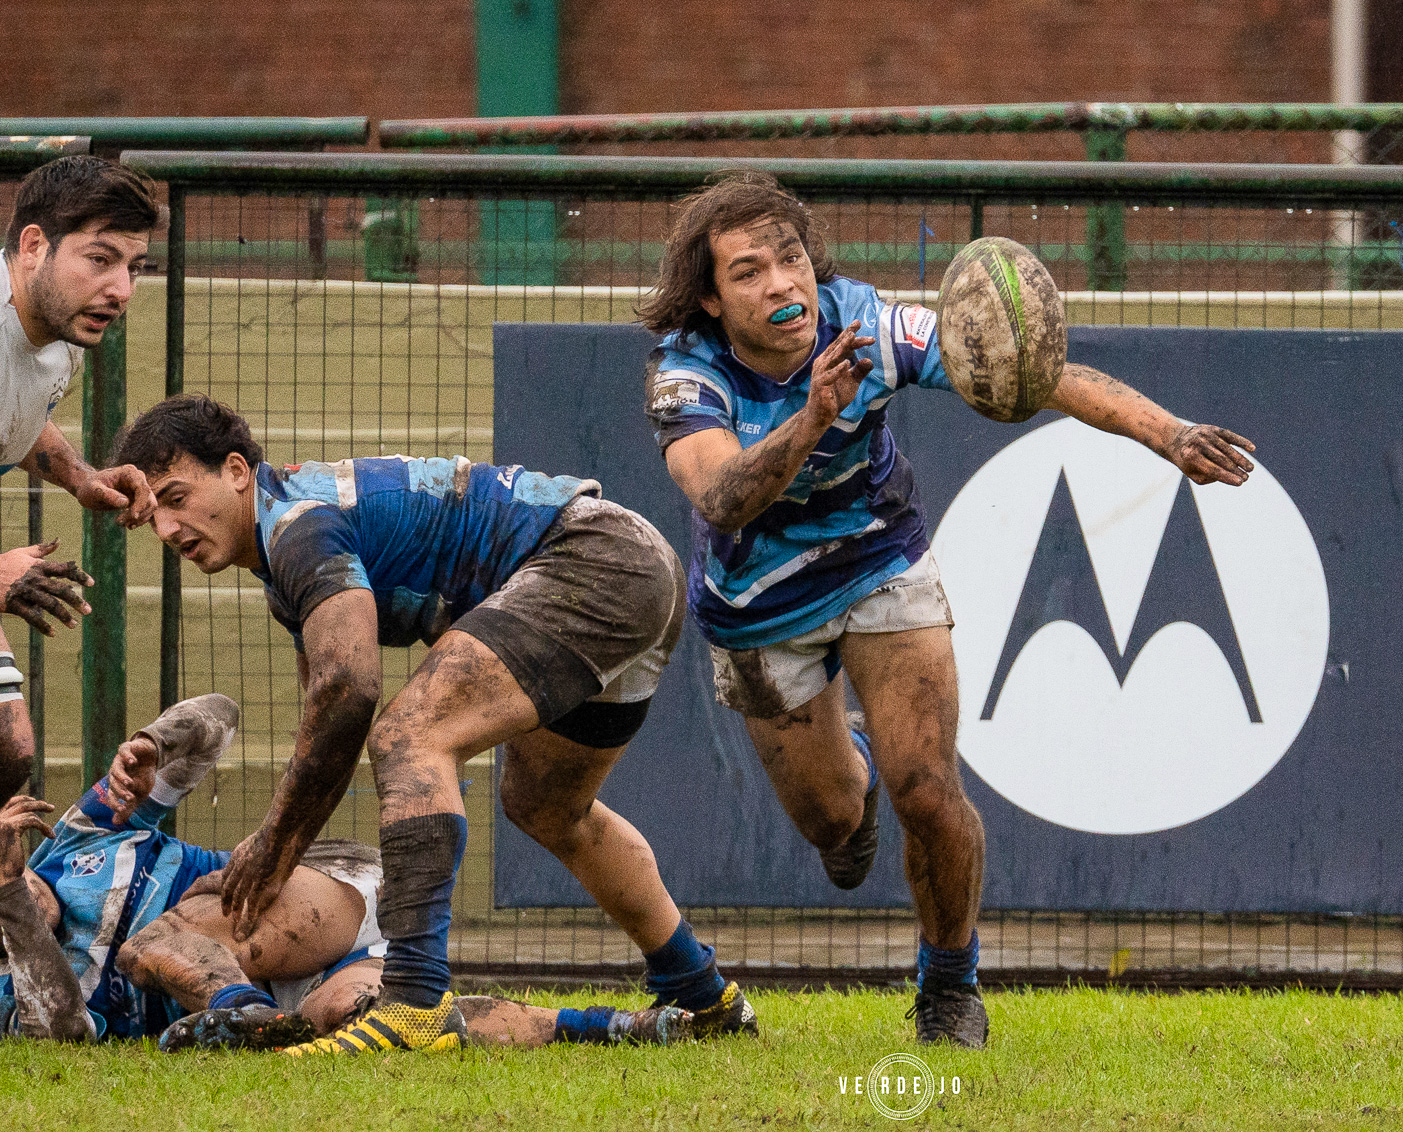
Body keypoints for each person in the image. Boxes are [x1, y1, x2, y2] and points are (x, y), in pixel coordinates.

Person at [640, 172, 1258, 1047]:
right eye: (749, 272)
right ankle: (850, 766)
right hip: (758, 602)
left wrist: (1170, 435)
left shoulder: (870, 324)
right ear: (709, 297)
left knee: (927, 791)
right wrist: (815, 413)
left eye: (790, 259)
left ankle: (950, 988)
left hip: (881, 563)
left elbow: (1042, 375)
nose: (782, 284)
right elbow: (721, 497)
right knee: (833, 825)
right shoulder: (685, 372)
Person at [109, 395, 754, 1055]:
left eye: (177, 496)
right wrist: (276, 852)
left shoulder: (298, 528)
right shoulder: (287, 563)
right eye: (152, 514)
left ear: (239, 470)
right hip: (631, 566)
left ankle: (415, 1002)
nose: (166, 527)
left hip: (596, 561)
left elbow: (350, 693)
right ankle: (703, 993)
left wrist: (273, 846)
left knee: (410, 735)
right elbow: (327, 730)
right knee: (547, 805)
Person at [0, 695, 695, 1051]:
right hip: (300, 981)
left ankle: (246, 1021)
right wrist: (12, 904)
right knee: (375, 1023)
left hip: (315, 903)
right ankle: (621, 1027)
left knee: (151, 942)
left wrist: (156, 743)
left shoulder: (77, 837)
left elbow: (218, 719)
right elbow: (65, 1033)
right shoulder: (15, 984)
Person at [0, 155, 162, 798]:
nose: (121, 289)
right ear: (35, 245)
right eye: (100, 259)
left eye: (134, 267)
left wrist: (79, 477)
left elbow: (17, 416)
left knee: (6, 753)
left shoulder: (58, 339)